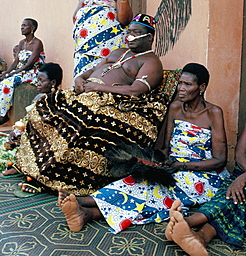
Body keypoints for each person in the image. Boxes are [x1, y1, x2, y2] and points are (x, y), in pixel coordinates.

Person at [3, 14, 171, 196]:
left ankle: (49, 177)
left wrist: (100, 88)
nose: (129, 36)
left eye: (136, 33)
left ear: (149, 37)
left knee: (77, 122)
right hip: (84, 92)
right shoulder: (118, 52)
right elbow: (90, 70)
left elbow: (136, 90)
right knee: (42, 105)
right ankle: (26, 165)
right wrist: (79, 78)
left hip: (108, 101)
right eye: (128, 32)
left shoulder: (151, 62)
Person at [57, 63, 230, 234]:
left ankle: (83, 203)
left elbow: (219, 160)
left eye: (188, 84)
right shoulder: (176, 108)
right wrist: (155, 163)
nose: (181, 88)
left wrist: (182, 166)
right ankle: (85, 213)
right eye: (180, 83)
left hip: (204, 175)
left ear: (202, 87)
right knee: (137, 181)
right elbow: (164, 147)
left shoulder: (213, 113)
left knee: (154, 192)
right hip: (174, 167)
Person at [165, 121, 246, 255]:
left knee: (239, 196)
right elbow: (240, 154)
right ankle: (198, 237)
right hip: (242, 172)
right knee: (231, 195)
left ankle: (188, 223)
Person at [73, 0, 133, 79]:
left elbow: (124, 20)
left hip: (107, 48)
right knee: (82, 81)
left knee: (103, 79)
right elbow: (75, 18)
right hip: (85, 50)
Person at [0, 62, 63, 177]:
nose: (37, 84)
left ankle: (19, 166)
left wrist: (24, 135)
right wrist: (16, 131)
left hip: (42, 143)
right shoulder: (39, 97)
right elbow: (27, 119)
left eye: (41, 81)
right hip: (28, 137)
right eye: (37, 80)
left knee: (7, 153)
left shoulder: (55, 102)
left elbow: (46, 129)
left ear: (53, 82)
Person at [0, 18, 45, 125]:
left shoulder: (37, 43)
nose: (22, 27)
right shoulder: (22, 43)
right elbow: (15, 62)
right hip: (21, 71)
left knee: (8, 83)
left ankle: (3, 115)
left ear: (33, 28)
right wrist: (6, 73)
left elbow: (29, 64)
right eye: (21, 25)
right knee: (2, 79)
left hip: (33, 72)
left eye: (25, 25)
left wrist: (13, 74)